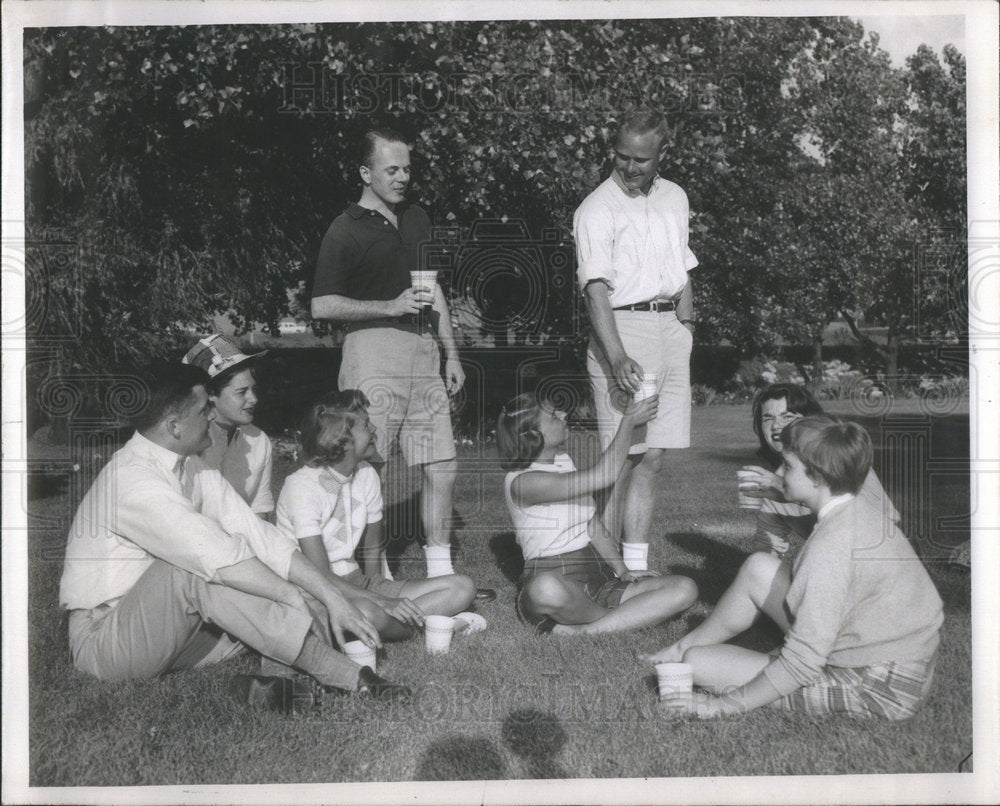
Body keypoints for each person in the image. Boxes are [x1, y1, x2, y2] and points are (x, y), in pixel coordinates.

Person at [58, 361, 409, 713]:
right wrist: (289, 595)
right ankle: (354, 678)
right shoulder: (131, 478)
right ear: (174, 426)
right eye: (204, 409)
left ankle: (280, 685)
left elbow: (259, 535)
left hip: (176, 631)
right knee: (193, 571)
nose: (213, 415)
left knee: (287, 584)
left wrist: (328, 595)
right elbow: (213, 555)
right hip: (106, 639)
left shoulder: (190, 465)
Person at [647, 415, 943, 720]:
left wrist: (720, 705)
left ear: (816, 477)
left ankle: (732, 669)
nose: (780, 473)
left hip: (878, 690)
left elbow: (803, 662)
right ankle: (693, 650)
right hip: (911, 666)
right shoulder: (858, 510)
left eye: (787, 467)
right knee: (758, 567)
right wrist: (782, 489)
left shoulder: (829, 547)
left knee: (697, 664)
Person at [311, 128, 493, 600]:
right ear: (365, 173)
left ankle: (439, 572)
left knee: (442, 463)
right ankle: (372, 575)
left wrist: (451, 353)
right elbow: (323, 306)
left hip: (424, 352)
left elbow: (433, 293)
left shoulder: (416, 219)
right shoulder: (344, 228)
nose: (402, 177)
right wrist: (389, 307)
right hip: (372, 349)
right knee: (371, 463)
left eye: (407, 168)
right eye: (392, 169)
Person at [573, 107, 698, 574]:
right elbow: (595, 290)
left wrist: (686, 327)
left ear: (664, 153)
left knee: (654, 458)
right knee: (622, 458)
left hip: (669, 330)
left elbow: (682, 266)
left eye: (640, 160)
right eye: (622, 156)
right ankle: (604, 573)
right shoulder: (596, 208)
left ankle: (636, 568)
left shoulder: (676, 197)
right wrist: (617, 354)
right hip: (624, 332)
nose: (629, 167)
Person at [275, 390, 481, 641]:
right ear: (342, 439)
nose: (374, 429)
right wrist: (381, 602)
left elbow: (372, 548)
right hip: (316, 589)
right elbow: (319, 575)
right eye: (364, 425)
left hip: (357, 582)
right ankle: (434, 624)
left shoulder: (366, 475)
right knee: (367, 611)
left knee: (462, 587)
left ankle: (391, 625)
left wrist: (380, 591)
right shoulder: (301, 486)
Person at [497, 389, 697, 635]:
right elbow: (605, 475)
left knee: (684, 587)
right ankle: (621, 619)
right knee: (544, 589)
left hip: (599, 577)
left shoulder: (562, 461)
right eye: (552, 415)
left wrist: (622, 570)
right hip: (554, 578)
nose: (562, 414)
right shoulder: (523, 482)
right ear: (532, 434)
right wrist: (628, 423)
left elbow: (591, 524)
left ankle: (588, 630)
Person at [738, 383, 899, 558]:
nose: (777, 425)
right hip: (833, 561)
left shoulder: (840, 458)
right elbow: (767, 545)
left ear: (809, 420)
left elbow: (876, 517)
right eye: (768, 418)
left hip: (884, 553)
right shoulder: (773, 481)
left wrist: (784, 488)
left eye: (787, 416)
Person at [182, 334, 274, 518]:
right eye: (241, 392)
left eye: (253, 390)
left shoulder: (259, 441)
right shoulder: (185, 444)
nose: (254, 399)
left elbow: (259, 511)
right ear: (211, 395)